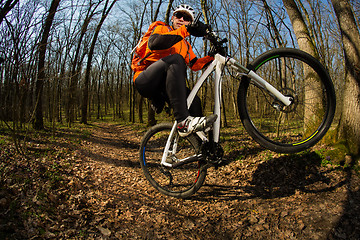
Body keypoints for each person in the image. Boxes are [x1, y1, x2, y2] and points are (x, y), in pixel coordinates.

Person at [133, 4, 217, 137]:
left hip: (166, 87)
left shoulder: (186, 45)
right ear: (172, 18)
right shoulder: (162, 28)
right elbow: (154, 43)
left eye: (187, 18)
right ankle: (182, 121)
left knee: (194, 101)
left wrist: (211, 57)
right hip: (145, 80)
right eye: (179, 15)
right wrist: (186, 30)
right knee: (176, 59)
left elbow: (195, 64)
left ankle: (205, 150)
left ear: (190, 22)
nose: (182, 19)